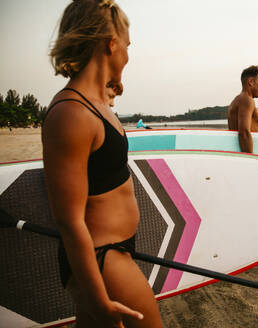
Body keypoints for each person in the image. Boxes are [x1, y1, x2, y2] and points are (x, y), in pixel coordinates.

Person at [42, 1, 162, 326]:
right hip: (100, 256)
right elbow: (69, 220)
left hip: (115, 250)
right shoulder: (72, 113)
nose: (128, 54)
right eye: (127, 45)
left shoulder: (98, 105)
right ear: (111, 44)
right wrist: (97, 300)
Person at [227, 65, 258, 153]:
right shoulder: (247, 100)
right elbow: (244, 133)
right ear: (251, 82)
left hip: (241, 153)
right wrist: (250, 159)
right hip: (248, 155)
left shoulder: (239, 99)